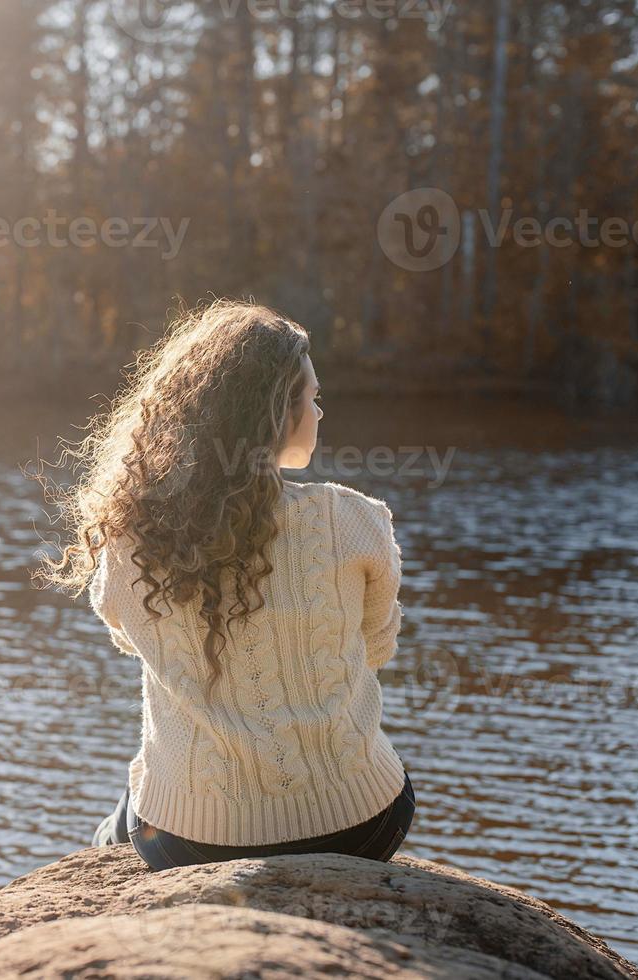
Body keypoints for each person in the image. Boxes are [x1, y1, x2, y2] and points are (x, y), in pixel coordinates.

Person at [39, 300, 414, 871]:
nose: (320, 411)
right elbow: (378, 646)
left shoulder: (135, 537)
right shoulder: (355, 520)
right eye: (310, 398)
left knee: (117, 823)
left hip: (193, 842)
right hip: (360, 824)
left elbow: (127, 633)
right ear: (270, 416)